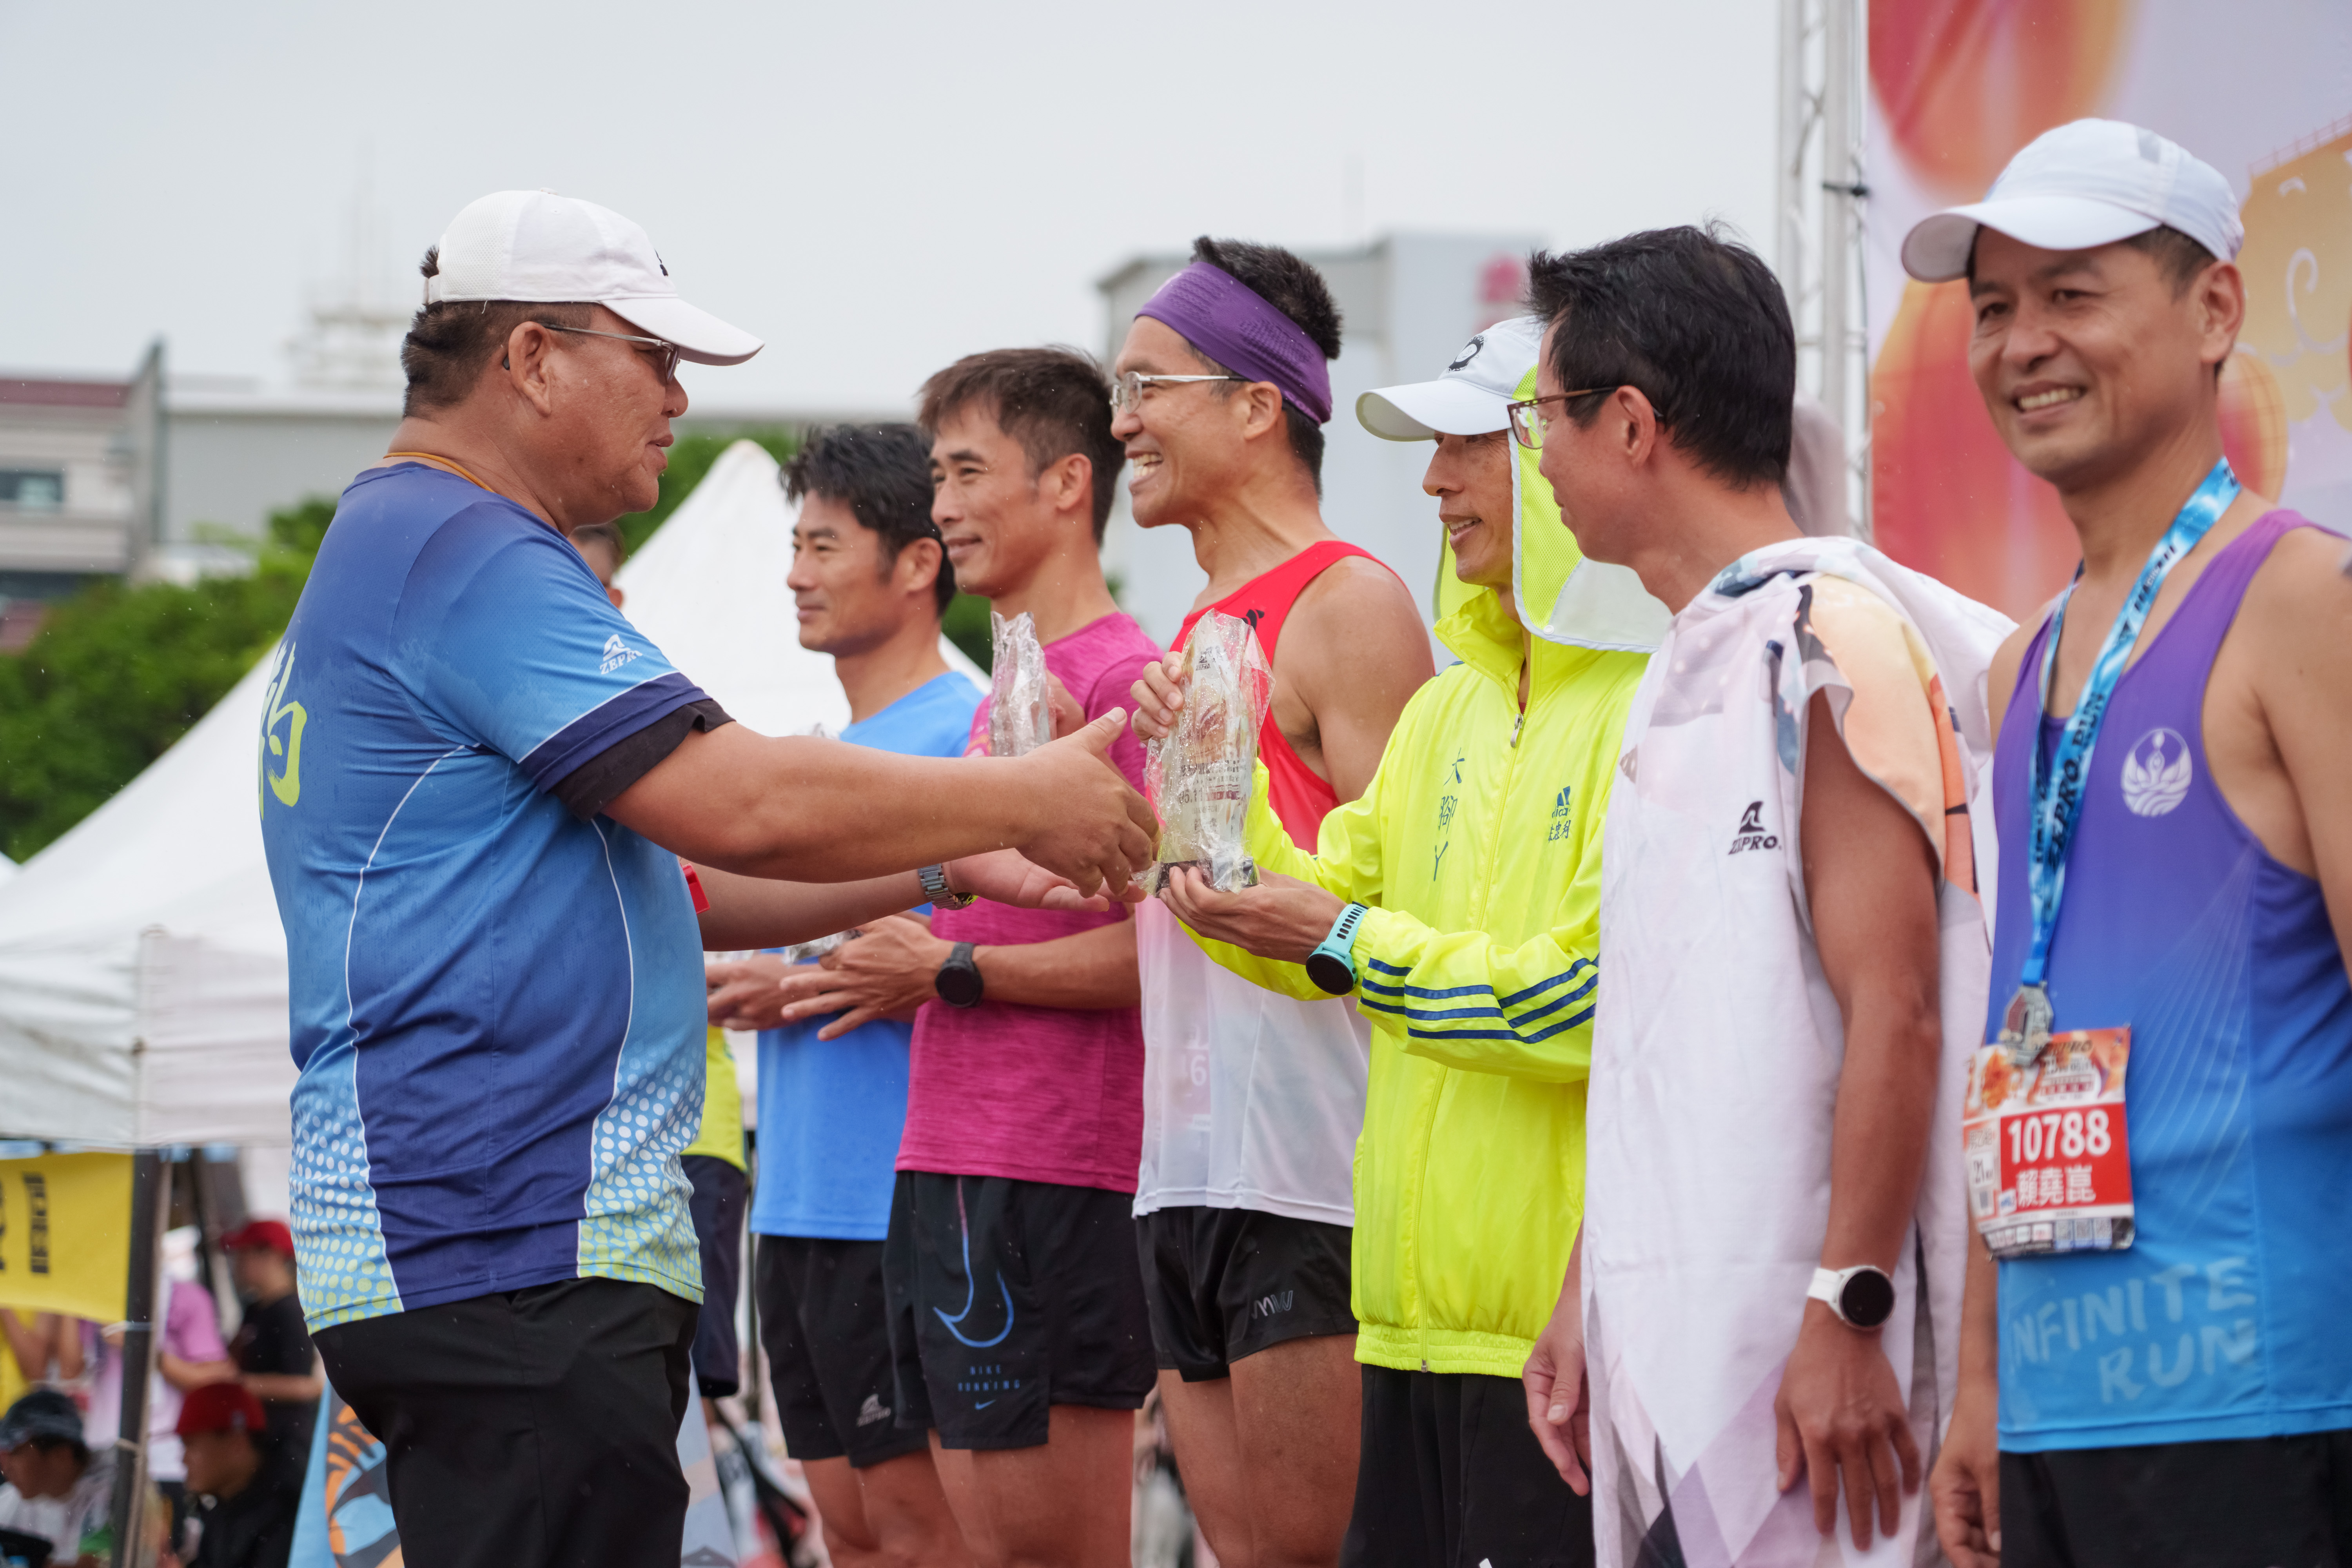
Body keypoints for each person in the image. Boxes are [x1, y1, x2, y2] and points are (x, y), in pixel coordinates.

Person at [258, 191, 1155, 1568]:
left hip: (487, 1246)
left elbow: (682, 882)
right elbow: (741, 802)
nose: (677, 397)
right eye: (654, 357)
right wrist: (1023, 795)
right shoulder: (463, 546)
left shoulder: (414, 539)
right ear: (534, 358)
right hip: (514, 1246)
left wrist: (941, 859)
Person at [1137, 311, 1670, 1567]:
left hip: (1558, 1341)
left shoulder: (1651, 693)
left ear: (1562, 451)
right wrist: (1205, 768)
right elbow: (1298, 929)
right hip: (1401, 1330)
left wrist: (1348, 941)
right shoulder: (1446, 711)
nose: (1434, 482)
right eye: (1432, 449)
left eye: (1470, 445)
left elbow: (1584, 1005)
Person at [1512, 225, 2009, 1566]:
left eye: (1542, 417)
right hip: (1677, 1352)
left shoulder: (1824, 640)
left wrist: (1848, 1306)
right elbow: (1663, 1034)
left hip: (1801, 1377)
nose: (1533, 458)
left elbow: (1898, 1008)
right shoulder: (1694, 659)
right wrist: (1590, 1288)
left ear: (1631, 425)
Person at [1908, 120, 2352, 1568]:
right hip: (2053, 1415)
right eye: (1991, 306)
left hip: (2269, 1402)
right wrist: (1980, 1385)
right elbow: (2012, 1037)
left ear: (2213, 309)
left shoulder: (2300, 601)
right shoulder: (2019, 663)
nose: (2021, 343)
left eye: (2070, 294)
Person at [755, 349, 1161, 1568]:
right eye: (936, 477)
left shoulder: (1126, 682)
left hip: (1051, 1163)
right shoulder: (1008, 699)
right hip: (944, 1158)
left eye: (968, 473)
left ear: (1066, 484)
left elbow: (1168, 953)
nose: (943, 507)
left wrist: (949, 974)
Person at [1108, 236, 1434, 1568]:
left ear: (1257, 406)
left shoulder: (1350, 604)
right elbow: (1186, 891)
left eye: (1148, 386)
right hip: (1182, 1169)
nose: (1121, 420)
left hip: (1315, 1175)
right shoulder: (1195, 629)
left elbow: (1411, 903)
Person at [702, 423, 982, 1568]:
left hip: (900, 1203)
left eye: (823, 545)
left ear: (917, 562)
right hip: (795, 1205)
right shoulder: (818, 751)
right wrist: (784, 981)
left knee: (925, 1536)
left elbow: (978, 954)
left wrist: (802, 977)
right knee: (847, 1535)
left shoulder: (971, 734)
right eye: (795, 545)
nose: (795, 574)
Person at [569, 520, 753, 1409]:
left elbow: (717, 881)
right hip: (568, 1178)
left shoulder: (640, 721)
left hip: (679, 1149)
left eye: (588, 583)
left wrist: (942, 867)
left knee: (678, 1407)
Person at [219, 1221, 321, 1463]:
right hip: (262, 1440)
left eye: (243, 1255)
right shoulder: (254, 1310)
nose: (236, 1265)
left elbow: (305, 1385)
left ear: (271, 1255)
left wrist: (238, 1384)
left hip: (290, 1444)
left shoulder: (291, 1312)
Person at [176, 1383, 299, 1568]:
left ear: (237, 1444)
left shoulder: (285, 1518)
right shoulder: (223, 1510)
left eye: (191, 1445)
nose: (184, 1460)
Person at [0, 1390, 111, 1568]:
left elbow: (94, 1563)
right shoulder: (9, 1501)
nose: (5, 1467)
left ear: (62, 1455)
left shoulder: (113, 1494)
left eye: (16, 1452)